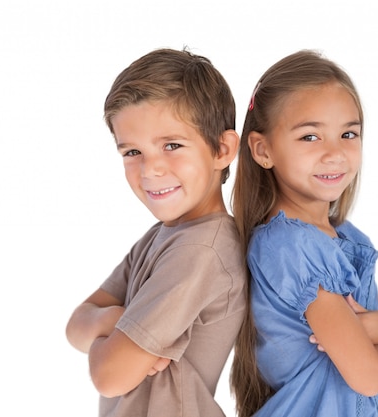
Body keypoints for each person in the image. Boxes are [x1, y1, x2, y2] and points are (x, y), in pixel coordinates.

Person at [229, 50, 378, 417]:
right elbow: (368, 377)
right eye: (310, 137)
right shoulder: (293, 247)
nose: (335, 153)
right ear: (262, 149)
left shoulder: (347, 240)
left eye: (348, 133)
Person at [65, 48, 247, 417]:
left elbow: (110, 376)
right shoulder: (162, 236)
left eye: (172, 145)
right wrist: (113, 323)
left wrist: (110, 337)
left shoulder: (201, 251)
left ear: (222, 149)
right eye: (132, 151)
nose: (150, 170)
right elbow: (75, 324)